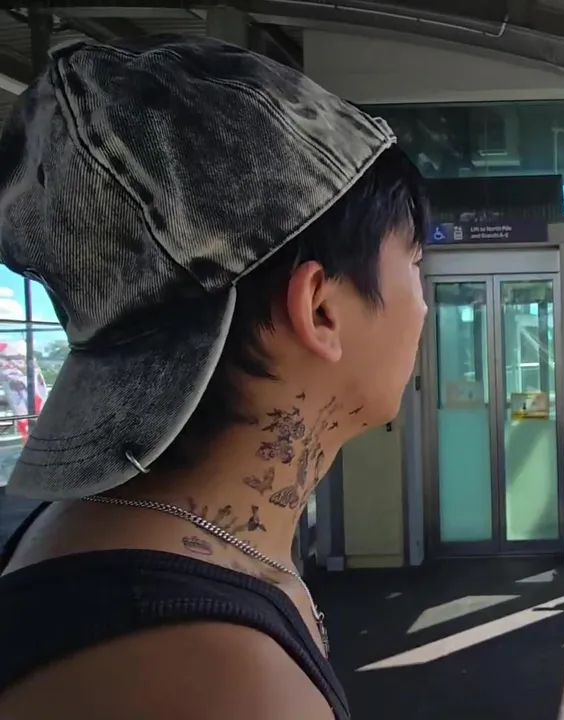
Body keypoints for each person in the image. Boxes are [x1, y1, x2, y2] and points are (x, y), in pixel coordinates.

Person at [0, 36, 428, 720]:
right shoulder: (224, 683)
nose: (424, 306)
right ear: (320, 308)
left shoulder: (84, 539)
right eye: (414, 263)